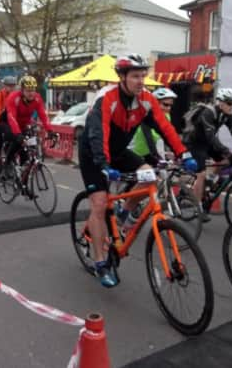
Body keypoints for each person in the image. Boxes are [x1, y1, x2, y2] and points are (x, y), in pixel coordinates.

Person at [79, 54, 197, 288]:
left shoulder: (146, 100)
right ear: (122, 77)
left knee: (149, 174)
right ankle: (101, 262)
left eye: (143, 76)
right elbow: (98, 133)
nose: (141, 81)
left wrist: (184, 153)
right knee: (100, 203)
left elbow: (165, 128)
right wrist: (104, 165)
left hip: (119, 151)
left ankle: (124, 213)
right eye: (135, 76)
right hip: (94, 153)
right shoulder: (108, 98)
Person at [184, 88, 232, 208]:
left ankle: (210, 181)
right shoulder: (208, 113)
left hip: (207, 142)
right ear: (220, 102)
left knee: (226, 160)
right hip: (195, 143)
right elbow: (211, 137)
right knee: (201, 173)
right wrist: (226, 150)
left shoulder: (227, 116)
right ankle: (197, 207)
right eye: (230, 103)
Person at [0, 75, 53, 170]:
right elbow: (12, 118)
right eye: (28, 90)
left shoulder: (37, 98)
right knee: (17, 140)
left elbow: (43, 116)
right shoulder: (14, 98)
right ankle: (7, 163)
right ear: (22, 90)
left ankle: (23, 177)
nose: (31, 93)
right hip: (7, 122)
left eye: (33, 90)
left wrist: (50, 130)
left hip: (23, 124)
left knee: (26, 148)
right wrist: (18, 134)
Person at [130, 87, 177, 165]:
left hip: (156, 150)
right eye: (165, 104)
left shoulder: (167, 116)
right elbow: (148, 137)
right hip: (141, 153)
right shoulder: (146, 115)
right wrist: (157, 157)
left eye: (170, 105)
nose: (169, 108)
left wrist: (170, 151)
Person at [0, 76, 18, 167]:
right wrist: (0, 123)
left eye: (13, 86)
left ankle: (10, 158)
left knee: (15, 139)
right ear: (5, 86)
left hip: (10, 120)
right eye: (9, 86)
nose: (11, 88)